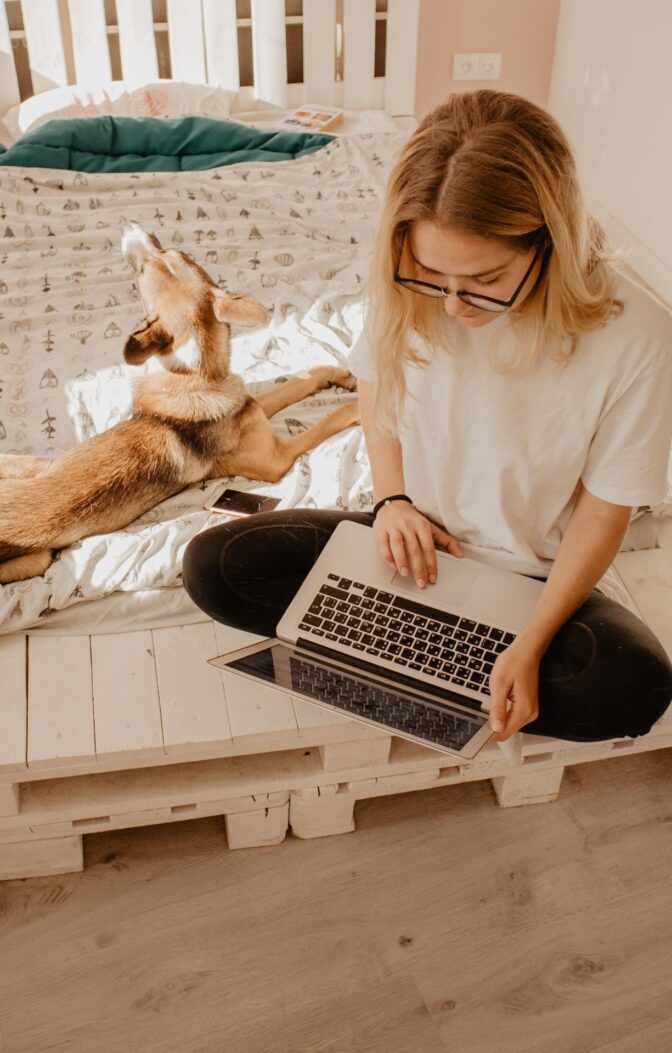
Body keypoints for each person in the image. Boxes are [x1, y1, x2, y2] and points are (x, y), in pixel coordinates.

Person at [182, 89, 672, 744]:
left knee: (631, 689)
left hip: (536, 575)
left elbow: (604, 511)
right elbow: (376, 388)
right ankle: (432, 644)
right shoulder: (404, 277)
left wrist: (530, 641)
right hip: (414, 541)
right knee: (214, 564)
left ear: (550, 240)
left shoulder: (639, 337)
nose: (453, 304)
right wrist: (392, 502)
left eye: (484, 280)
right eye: (430, 277)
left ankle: (429, 646)